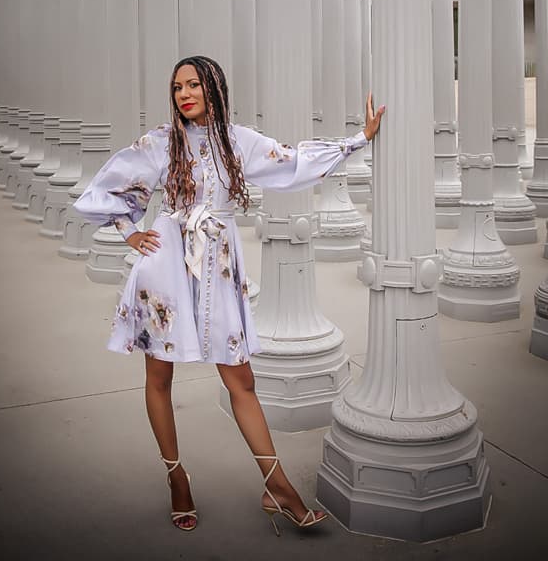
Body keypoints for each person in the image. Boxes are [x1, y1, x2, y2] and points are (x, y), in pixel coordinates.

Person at [74, 56, 383, 535]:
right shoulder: (160, 141)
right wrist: (129, 232)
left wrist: (359, 139)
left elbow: (294, 162)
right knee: (159, 378)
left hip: (217, 264)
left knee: (241, 381)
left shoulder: (238, 141)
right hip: (166, 267)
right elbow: (111, 184)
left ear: (213, 88)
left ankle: (276, 485)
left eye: (193, 84)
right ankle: (177, 479)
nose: (184, 94)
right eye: (177, 86)